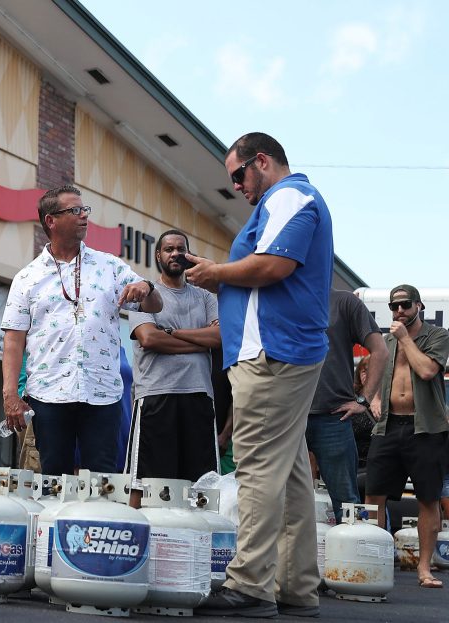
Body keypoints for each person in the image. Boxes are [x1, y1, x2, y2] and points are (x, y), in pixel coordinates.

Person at [187, 132, 333, 618]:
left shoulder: (289, 195)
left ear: (262, 162)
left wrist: (216, 273)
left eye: (238, 175)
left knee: (255, 468)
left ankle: (249, 585)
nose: (236, 187)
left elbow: (274, 265)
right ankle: (295, 587)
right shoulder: (291, 198)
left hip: (272, 352)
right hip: (281, 350)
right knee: (289, 476)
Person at [1, 184, 162, 476]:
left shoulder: (111, 266)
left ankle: (98, 523)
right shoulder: (27, 277)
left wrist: (147, 287)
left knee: (101, 478)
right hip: (48, 392)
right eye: (75, 211)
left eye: (84, 209)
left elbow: (155, 305)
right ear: (51, 220)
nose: (84, 216)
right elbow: (13, 340)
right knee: (52, 476)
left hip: (102, 392)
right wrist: (10, 394)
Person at [125, 229, 220, 506]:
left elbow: (219, 338)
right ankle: (137, 537)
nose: (176, 253)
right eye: (169, 249)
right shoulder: (143, 293)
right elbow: (149, 338)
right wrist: (198, 339)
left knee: (203, 487)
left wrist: (173, 333)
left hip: (198, 395)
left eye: (181, 248)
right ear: (158, 255)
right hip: (156, 396)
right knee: (144, 485)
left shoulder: (205, 296)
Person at [364, 285, 448, 589]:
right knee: (374, 495)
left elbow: (426, 371)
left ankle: (424, 569)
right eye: (394, 306)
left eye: (405, 305)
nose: (399, 311)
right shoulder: (385, 343)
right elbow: (372, 376)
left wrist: (403, 339)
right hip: (388, 426)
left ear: (419, 306)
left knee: (428, 498)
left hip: (425, 428)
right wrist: (370, 398)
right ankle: (375, 560)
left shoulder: (437, 337)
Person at [307, 290, 387, 523]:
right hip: (290, 416)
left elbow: (380, 351)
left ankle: (351, 558)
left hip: (334, 418)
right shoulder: (282, 297)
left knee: (347, 505)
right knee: (286, 500)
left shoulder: (344, 302)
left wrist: (363, 399)